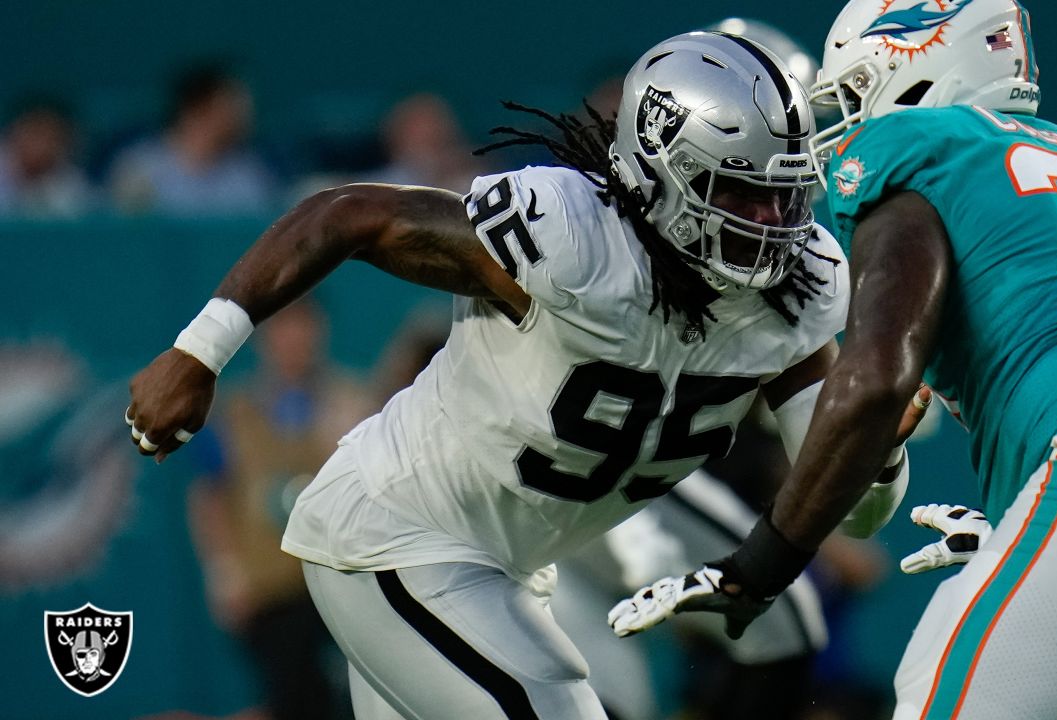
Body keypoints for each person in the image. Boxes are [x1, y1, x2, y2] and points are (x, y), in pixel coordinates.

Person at [126, 31, 934, 720]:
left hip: (503, 568)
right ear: (659, 176)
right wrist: (199, 351)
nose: (773, 225)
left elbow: (859, 515)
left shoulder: (794, 295)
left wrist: (880, 447)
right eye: (742, 195)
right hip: (393, 536)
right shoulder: (574, 240)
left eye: (785, 196)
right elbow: (348, 215)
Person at [610, 3, 1057, 719]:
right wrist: (1025, 520)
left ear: (911, 71)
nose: (845, 123)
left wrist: (760, 566)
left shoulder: (915, 143)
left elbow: (875, 382)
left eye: (852, 91)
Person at [187, 299, 369, 720]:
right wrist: (224, 570)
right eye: (285, 326)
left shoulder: (351, 403)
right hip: (268, 587)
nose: (295, 338)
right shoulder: (236, 412)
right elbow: (210, 494)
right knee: (292, 696)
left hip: (340, 582)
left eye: (305, 325)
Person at [108, 64, 276, 215]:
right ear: (200, 108)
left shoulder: (248, 174)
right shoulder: (139, 167)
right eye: (233, 105)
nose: (245, 114)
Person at [0, 97, 95, 217]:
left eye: (51, 137)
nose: (41, 145)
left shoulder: (73, 187)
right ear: (13, 128)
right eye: (35, 132)